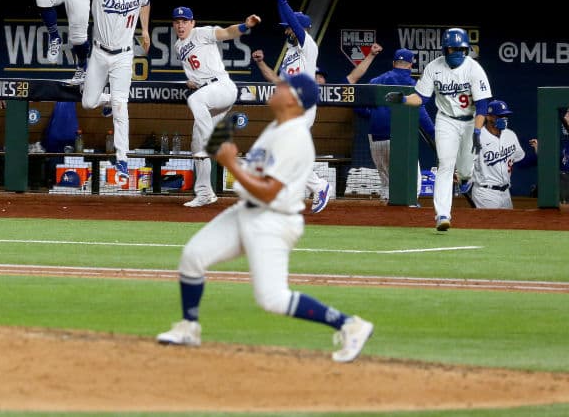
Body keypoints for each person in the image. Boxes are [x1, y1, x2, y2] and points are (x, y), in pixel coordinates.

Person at [155, 73, 375, 364]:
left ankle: (350, 324)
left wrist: (231, 162)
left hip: (273, 219)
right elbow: (257, 175)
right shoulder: (276, 126)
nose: (277, 87)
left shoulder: (295, 137)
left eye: (284, 86)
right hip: (247, 210)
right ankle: (189, 327)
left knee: (272, 299)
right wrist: (223, 146)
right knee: (193, 256)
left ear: (293, 99)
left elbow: (270, 192)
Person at [66, 0, 150, 186]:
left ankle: (122, 160)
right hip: (100, 55)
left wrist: (146, 29)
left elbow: (146, 1)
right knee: (88, 102)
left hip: (124, 57)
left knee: (122, 106)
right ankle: (107, 101)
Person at [385, 27, 491, 231]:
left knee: (466, 168)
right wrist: (404, 99)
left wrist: (477, 131)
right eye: (453, 49)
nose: (458, 52)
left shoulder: (474, 69)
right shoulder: (434, 67)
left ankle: (466, 178)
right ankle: (442, 214)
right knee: (445, 165)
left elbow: (483, 105)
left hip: (470, 120)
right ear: (445, 49)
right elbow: (421, 98)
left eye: (461, 48)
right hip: (446, 120)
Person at [252, 0, 332, 212]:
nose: (286, 30)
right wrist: (261, 64)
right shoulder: (290, 53)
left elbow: (294, 24)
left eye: (289, 27)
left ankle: (317, 187)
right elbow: (278, 81)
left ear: (300, 28)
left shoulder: (309, 46)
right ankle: (313, 187)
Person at [171, 6, 260, 208]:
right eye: (177, 22)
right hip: (208, 94)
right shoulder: (178, 46)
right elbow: (196, 71)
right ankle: (205, 193)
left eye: (185, 21)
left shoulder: (201, 33)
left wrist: (245, 26)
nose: (181, 25)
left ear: (192, 23)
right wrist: (193, 81)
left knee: (195, 101)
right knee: (197, 145)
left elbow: (227, 32)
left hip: (222, 86)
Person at [354, 48, 435, 204]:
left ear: (393, 63)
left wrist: (378, 115)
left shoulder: (375, 81)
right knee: (413, 183)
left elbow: (359, 107)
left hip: (375, 138)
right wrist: (433, 134)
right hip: (399, 139)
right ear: (411, 65)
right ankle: (407, 216)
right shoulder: (413, 85)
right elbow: (422, 116)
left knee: (386, 183)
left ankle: (387, 220)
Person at [466, 99, 537, 209]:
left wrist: (537, 155)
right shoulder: (478, 137)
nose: (504, 119)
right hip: (485, 192)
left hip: (506, 193)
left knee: (509, 225)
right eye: (499, 116)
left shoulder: (510, 135)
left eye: (506, 116)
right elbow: (467, 163)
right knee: (491, 225)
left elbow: (520, 161)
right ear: (488, 117)